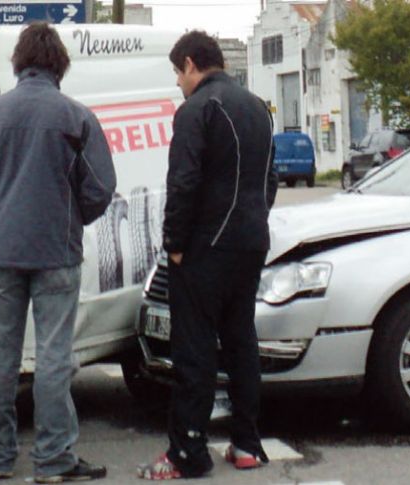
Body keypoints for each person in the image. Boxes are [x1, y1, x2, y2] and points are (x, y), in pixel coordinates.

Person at [0, 21, 116, 484]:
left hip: (2, 250)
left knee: (0, 358)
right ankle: (52, 460)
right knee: (53, 357)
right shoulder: (76, 118)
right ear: (59, 65)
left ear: (19, 63)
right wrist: (73, 219)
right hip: (57, 252)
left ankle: (0, 457)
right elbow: (101, 187)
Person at [138, 30, 278, 480]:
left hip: (205, 247)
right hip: (251, 241)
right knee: (241, 341)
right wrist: (251, 222)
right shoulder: (258, 108)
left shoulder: (196, 110)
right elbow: (268, 182)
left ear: (193, 64)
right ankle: (246, 444)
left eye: (179, 72)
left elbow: (183, 182)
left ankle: (187, 452)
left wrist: (174, 244)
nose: (178, 82)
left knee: (194, 350)